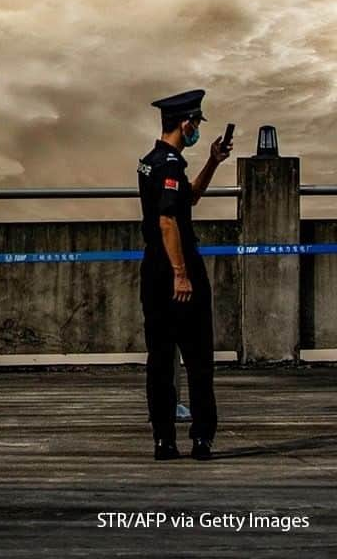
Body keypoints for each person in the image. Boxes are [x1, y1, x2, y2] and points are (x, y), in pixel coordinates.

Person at [136, 89, 233, 461]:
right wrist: (181, 273)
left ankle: (163, 440)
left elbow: (187, 199)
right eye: (195, 124)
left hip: (152, 271)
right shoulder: (171, 165)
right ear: (186, 123)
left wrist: (212, 162)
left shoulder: (150, 160)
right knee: (197, 360)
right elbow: (167, 220)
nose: (196, 130)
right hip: (177, 269)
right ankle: (202, 439)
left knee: (160, 359)